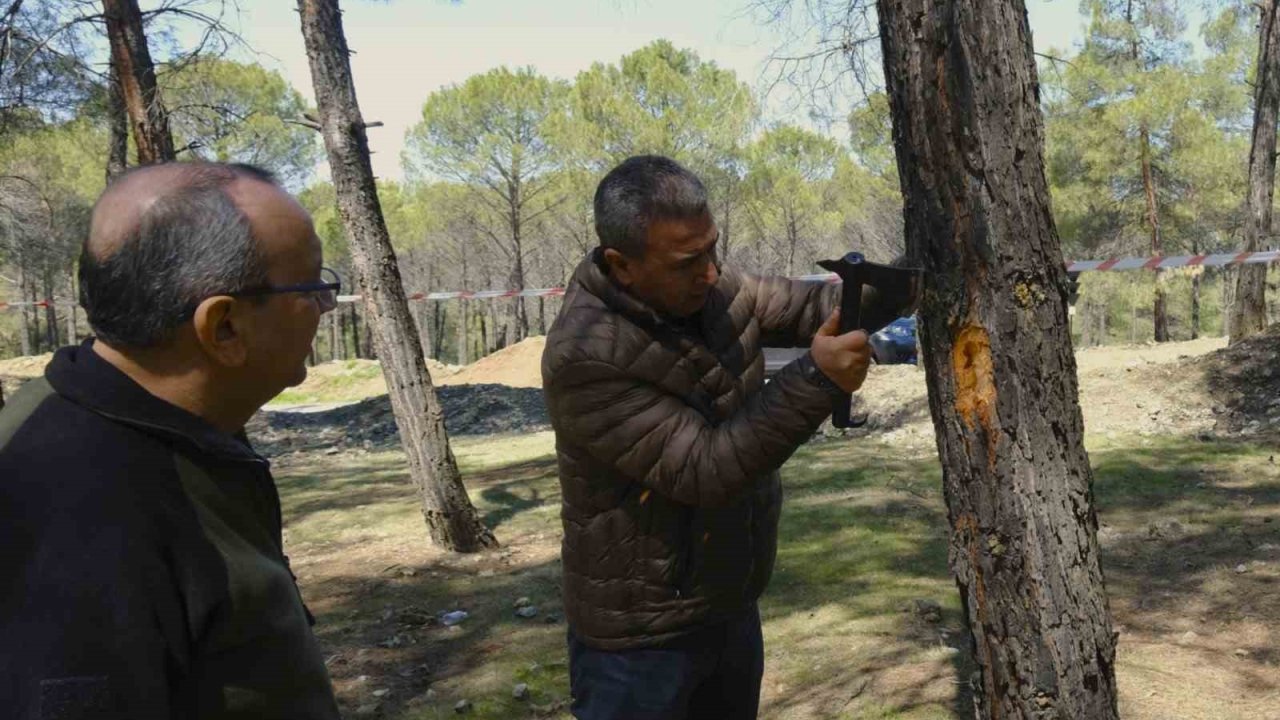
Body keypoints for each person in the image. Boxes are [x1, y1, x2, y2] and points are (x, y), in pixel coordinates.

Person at [0, 161, 343, 719]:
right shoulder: (87, 513)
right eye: (314, 287)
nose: (325, 308)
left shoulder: (142, 426)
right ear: (224, 328)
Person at [542, 155, 873, 720]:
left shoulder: (716, 290)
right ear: (621, 265)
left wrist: (905, 284)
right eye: (688, 261)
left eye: (713, 248)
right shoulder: (585, 352)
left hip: (728, 608)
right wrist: (817, 379)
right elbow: (706, 468)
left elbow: (817, 305)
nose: (712, 272)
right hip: (639, 644)